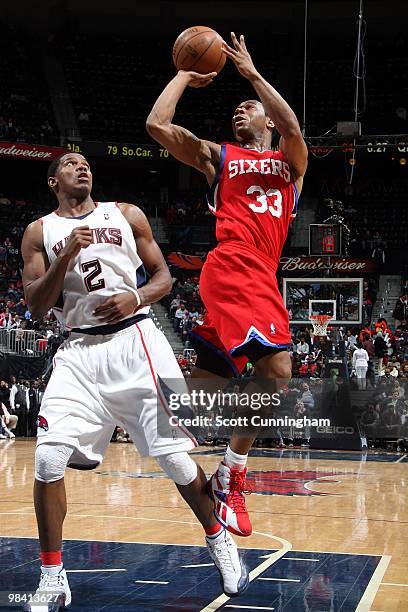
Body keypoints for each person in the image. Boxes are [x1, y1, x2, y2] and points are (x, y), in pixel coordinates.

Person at [21, 152, 248, 609]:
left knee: (177, 462)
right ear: (52, 182)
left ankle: (218, 536)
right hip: (79, 352)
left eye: (85, 162)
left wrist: (135, 297)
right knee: (47, 459)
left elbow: (164, 277)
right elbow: (37, 306)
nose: (81, 167)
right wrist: (64, 257)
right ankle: (51, 574)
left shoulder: (125, 215)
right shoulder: (40, 232)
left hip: (137, 341)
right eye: (69, 163)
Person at [147, 32, 307, 537]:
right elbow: (157, 125)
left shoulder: (292, 167)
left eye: (249, 107)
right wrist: (184, 76)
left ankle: (141, 407)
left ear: (267, 120)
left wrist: (253, 76)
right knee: (278, 369)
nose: (241, 110)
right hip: (234, 263)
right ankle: (231, 478)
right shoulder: (221, 157)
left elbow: (294, 126)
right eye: (237, 106)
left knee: (212, 376)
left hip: (264, 272)